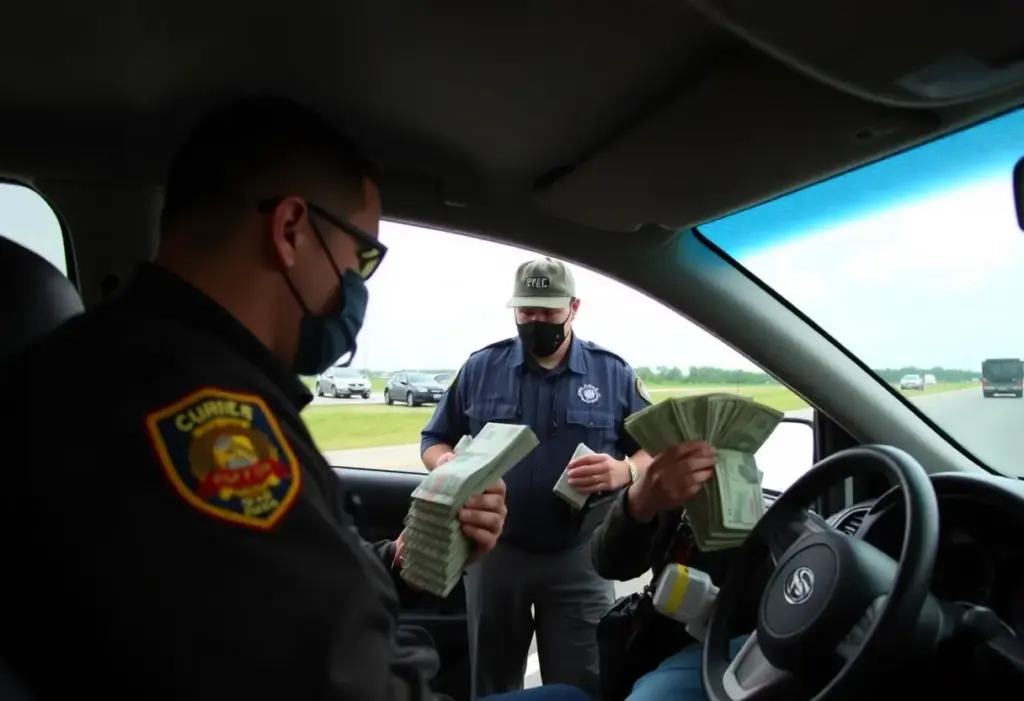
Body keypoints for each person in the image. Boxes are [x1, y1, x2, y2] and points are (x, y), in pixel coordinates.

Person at [0, 97, 589, 701]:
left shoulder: (128, 371)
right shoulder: (197, 412)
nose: (358, 289)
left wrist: (401, 560)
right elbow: (340, 676)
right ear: (289, 232)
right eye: (361, 257)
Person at [420, 258, 654, 699]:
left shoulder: (613, 372)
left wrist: (625, 470)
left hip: (580, 556)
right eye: (527, 311)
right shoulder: (480, 368)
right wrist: (450, 466)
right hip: (495, 554)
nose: (537, 321)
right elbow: (434, 438)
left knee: (582, 684)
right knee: (491, 683)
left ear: (573, 307)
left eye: (548, 311)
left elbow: (653, 445)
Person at [591, 441, 763, 700]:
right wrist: (637, 503)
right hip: (668, 646)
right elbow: (609, 562)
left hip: (740, 649)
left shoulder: (765, 518)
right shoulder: (675, 496)